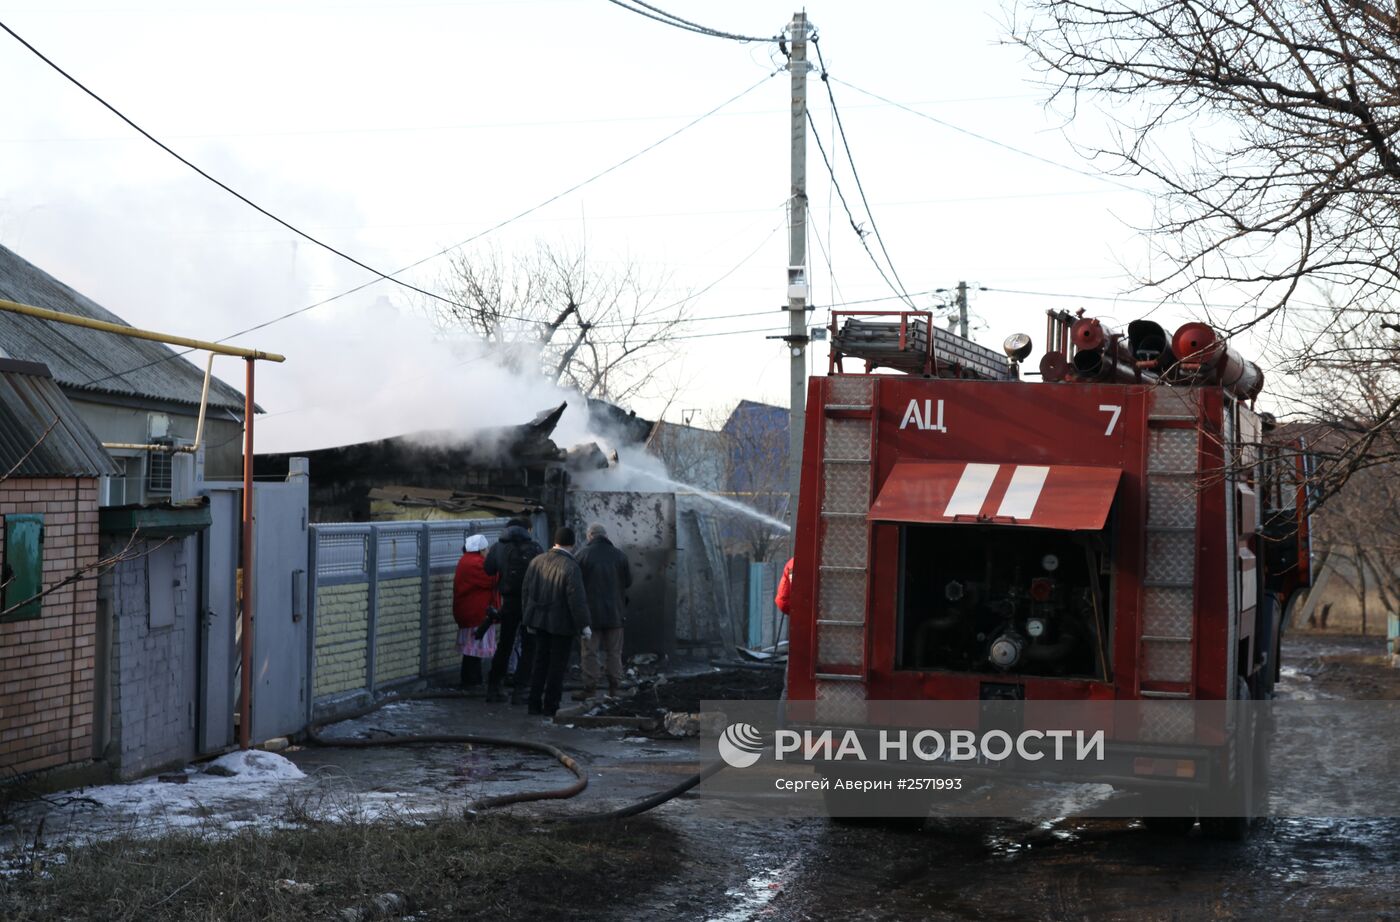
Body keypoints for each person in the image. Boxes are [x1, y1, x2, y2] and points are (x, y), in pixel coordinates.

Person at [521, 526, 592, 716]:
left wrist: (527, 618)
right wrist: (584, 625)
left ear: (555, 541)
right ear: (573, 544)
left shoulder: (537, 561)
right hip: (561, 624)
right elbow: (576, 599)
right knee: (557, 666)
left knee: (540, 661)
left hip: (538, 621)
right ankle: (550, 706)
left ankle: (533, 703)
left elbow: (526, 591)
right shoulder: (571, 567)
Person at [484, 517, 544, 704]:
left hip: (508, 602)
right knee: (529, 645)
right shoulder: (536, 548)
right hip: (530, 603)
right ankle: (521, 691)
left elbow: (488, 569)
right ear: (527, 529)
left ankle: (494, 688)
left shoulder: (498, 547)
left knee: (505, 644)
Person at [574, 523, 632, 699]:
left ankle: (590, 689)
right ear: (605, 536)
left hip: (590, 616)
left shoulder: (581, 555)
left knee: (589, 652)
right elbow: (628, 582)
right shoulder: (620, 556)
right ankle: (615, 688)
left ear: (590, 536)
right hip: (615, 613)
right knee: (614, 652)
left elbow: (575, 585)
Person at [452, 534, 498, 689]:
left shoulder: (465, 561)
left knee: (471, 649)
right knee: (473, 649)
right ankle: (471, 681)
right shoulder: (475, 564)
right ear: (480, 549)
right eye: (485, 549)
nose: (487, 552)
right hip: (476, 613)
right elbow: (492, 579)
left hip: (469, 610)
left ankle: (472, 680)